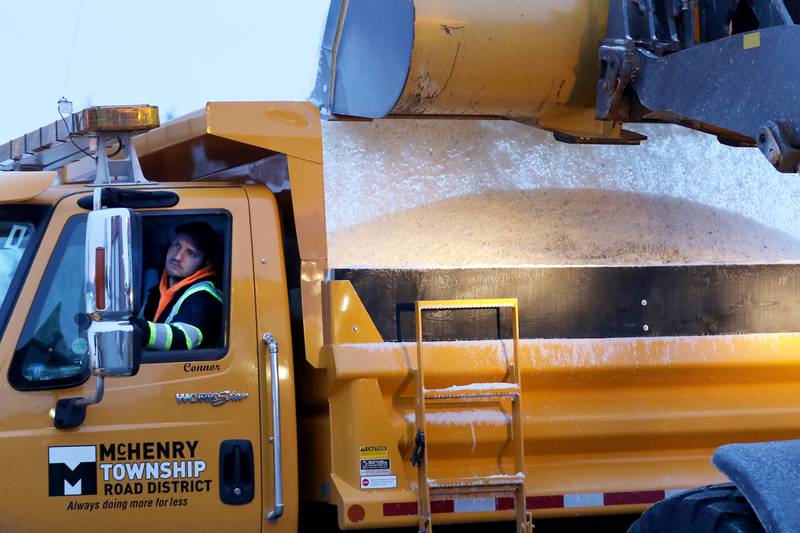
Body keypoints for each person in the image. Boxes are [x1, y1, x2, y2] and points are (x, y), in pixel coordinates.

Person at [137, 221, 222, 351]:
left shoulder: (205, 297)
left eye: (190, 253)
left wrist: (133, 329)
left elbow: (184, 338)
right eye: (176, 245)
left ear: (205, 264)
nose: (177, 256)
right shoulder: (156, 290)